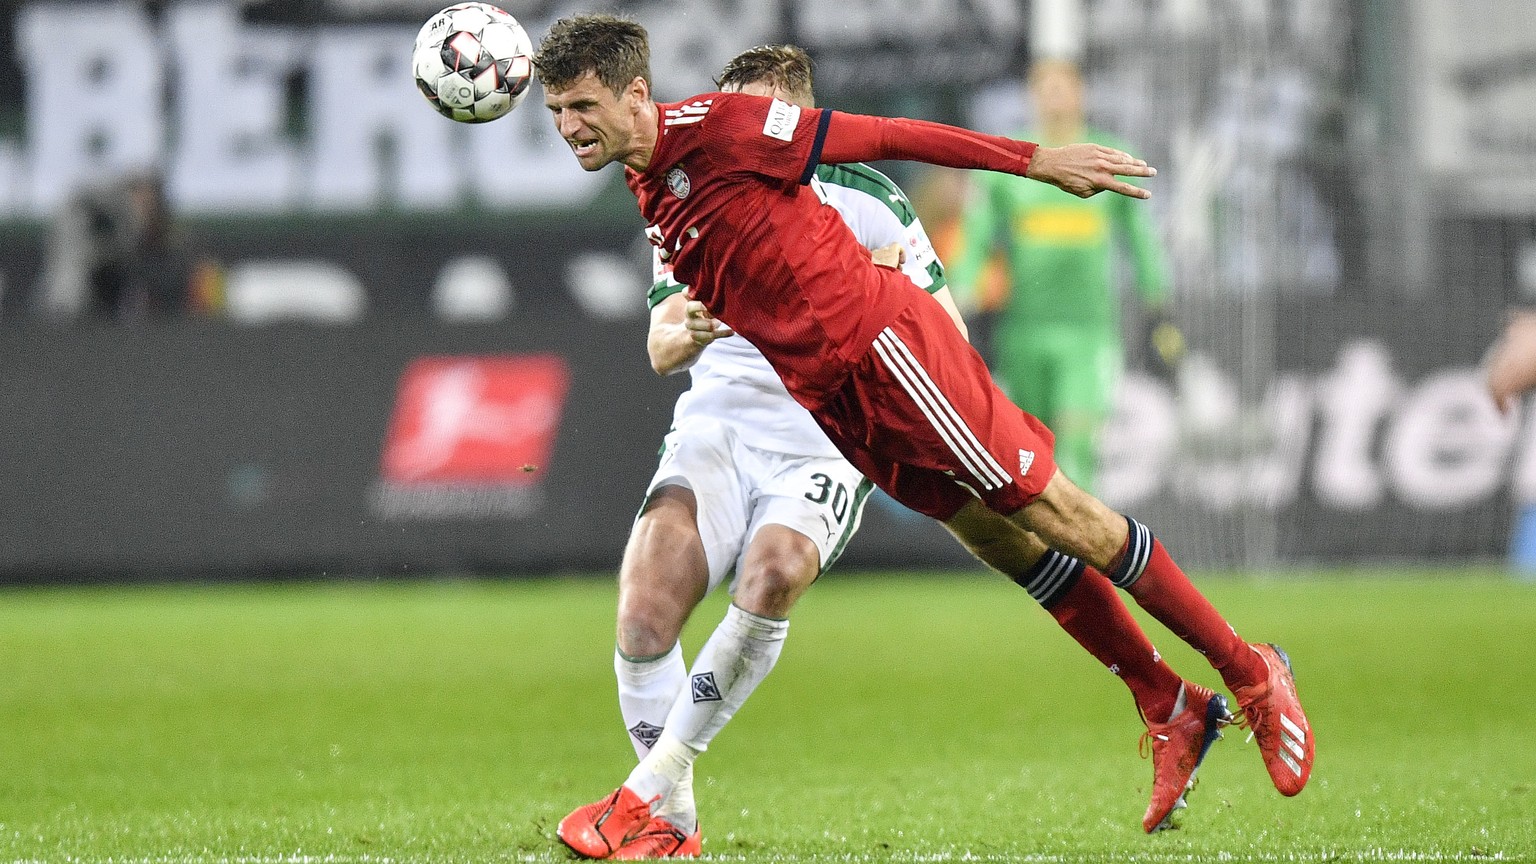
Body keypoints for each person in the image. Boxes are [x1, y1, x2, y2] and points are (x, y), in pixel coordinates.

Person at [532, 16, 1313, 857]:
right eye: (557, 112)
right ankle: (1170, 704)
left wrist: (1036, 160)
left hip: (885, 356)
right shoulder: (651, 176)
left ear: (636, 92)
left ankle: (1250, 671)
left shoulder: (738, 132)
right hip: (837, 398)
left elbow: (895, 133)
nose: (569, 126)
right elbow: (682, 316)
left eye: (581, 106)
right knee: (996, 534)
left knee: (1060, 512)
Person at [600, 44, 969, 859]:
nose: (744, 135)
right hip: (720, 425)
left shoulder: (871, 202)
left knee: (775, 572)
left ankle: (650, 789)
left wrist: (887, 304)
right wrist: (687, 327)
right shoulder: (687, 191)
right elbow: (661, 346)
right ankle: (675, 822)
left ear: (804, 125)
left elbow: (952, 334)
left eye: (764, 120)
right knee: (644, 608)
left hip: (827, 437)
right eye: (732, 117)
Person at [949, 58, 1181, 493]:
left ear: (1081, 94)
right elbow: (976, 237)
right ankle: (1045, 556)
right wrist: (959, 298)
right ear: (1032, 97)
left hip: (1087, 332)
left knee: (1077, 442)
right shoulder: (1013, 161)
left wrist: (1158, 303)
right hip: (1023, 332)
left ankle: (1084, 554)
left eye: (1064, 86)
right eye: (1045, 87)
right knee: (1029, 453)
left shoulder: (1109, 156)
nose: (1055, 97)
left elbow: (1140, 241)